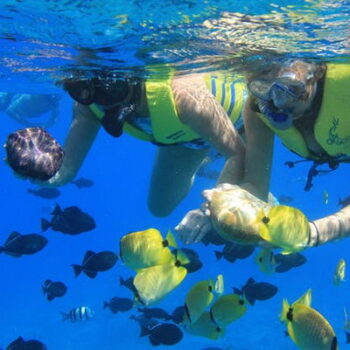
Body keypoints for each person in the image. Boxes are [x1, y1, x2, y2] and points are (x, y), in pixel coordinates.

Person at [5, 67, 248, 217]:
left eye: (112, 87)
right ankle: (206, 155)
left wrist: (210, 210)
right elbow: (65, 171)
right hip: (187, 140)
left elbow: (238, 153)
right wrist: (38, 172)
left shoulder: (184, 96)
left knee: (227, 215)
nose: (104, 100)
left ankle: (213, 154)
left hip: (241, 126)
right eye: (83, 88)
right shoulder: (88, 103)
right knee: (159, 208)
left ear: (133, 77)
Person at [176, 58, 350, 248]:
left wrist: (314, 233)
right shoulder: (258, 109)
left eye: (289, 86)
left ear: (315, 71)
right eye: (262, 87)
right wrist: (220, 206)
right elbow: (254, 188)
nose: (278, 103)